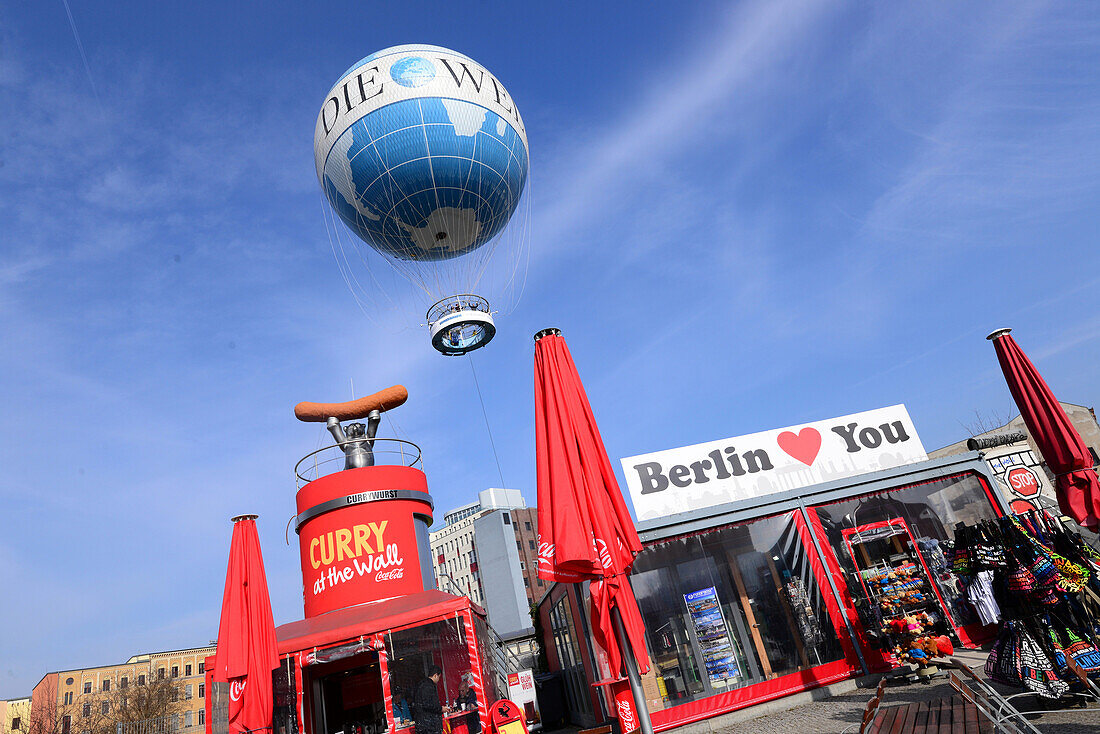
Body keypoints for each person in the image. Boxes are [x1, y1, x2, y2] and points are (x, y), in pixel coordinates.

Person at [412, 665, 447, 734]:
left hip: (422, 725)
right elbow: (428, 704)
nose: (438, 680)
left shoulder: (421, 685)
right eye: (439, 677)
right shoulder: (429, 686)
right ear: (435, 675)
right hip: (430, 726)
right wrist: (440, 709)